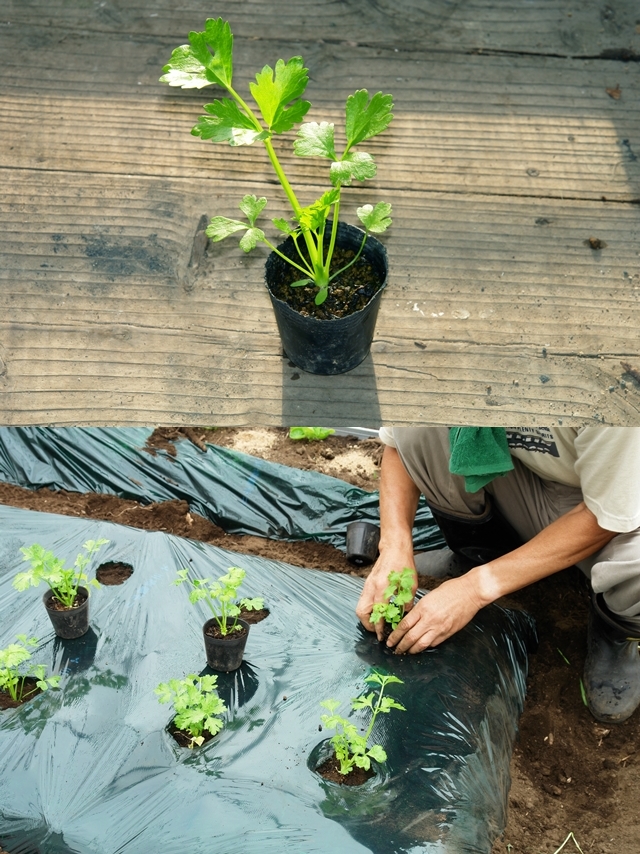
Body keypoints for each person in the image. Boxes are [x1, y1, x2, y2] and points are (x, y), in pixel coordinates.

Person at [355, 426, 640, 723]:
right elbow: (398, 445)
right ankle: (481, 554)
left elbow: (604, 517)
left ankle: (618, 631)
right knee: (419, 430)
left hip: (618, 501)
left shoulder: (613, 388)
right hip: (524, 479)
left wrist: (474, 589)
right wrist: (394, 545)